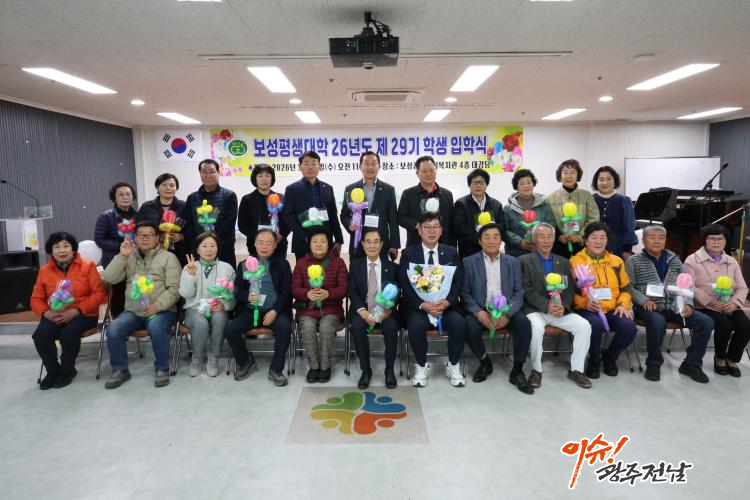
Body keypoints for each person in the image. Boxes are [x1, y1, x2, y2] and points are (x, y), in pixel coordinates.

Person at [626, 226, 713, 383]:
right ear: (643, 240)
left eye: (661, 238)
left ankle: (691, 364)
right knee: (657, 321)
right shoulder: (633, 261)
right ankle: (653, 364)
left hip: (674, 306)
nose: (657, 241)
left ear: (665, 240)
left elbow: (686, 285)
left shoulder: (675, 260)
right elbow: (628, 287)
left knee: (706, 322)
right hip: (647, 307)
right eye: (652, 237)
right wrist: (643, 300)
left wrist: (688, 304)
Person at [101, 221, 181, 389]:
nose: (145, 238)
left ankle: (162, 368)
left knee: (156, 326)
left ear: (157, 238)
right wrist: (122, 256)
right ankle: (120, 370)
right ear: (135, 238)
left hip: (162, 310)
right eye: (140, 235)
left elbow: (174, 289)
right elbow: (109, 278)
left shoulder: (168, 257)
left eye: (150, 234)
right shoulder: (128, 257)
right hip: (133, 311)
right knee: (113, 328)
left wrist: (157, 306)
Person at [461, 222, 534, 394]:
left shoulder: (513, 262)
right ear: (480, 241)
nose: (491, 241)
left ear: (501, 240)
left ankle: (517, 371)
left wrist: (507, 314)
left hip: (507, 309)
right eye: (486, 237)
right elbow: (465, 293)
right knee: (468, 326)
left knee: (524, 324)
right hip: (482, 308)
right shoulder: (468, 262)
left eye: (496, 237)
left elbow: (519, 292)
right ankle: (484, 362)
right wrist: (479, 312)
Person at [519, 223, 593, 389]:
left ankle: (576, 369)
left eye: (549, 237)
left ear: (554, 239)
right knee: (535, 327)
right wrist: (547, 306)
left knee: (584, 326)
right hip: (536, 310)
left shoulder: (564, 261)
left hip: (559, 311)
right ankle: (536, 370)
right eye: (541, 237)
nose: (546, 241)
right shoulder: (524, 261)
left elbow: (569, 290)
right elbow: (526, 290)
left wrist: (564, 306)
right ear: (534, 239)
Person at [30, 232, 106, 389]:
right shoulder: (45, 270)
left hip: (84, 314)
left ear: (73, 249)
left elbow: (98, 294)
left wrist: (76, 311)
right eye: (57, 247)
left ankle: (67, 371)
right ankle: (53, 371)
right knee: (40, 335)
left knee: (68, 334)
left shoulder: (87, 266)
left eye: (66, 246)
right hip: (55, 314)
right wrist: (46, 313)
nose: (62, 250)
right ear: (51, 250)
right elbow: (36, 298)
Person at [398, 212, 466, 388]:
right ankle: (422, 366)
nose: (431, 231)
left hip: (445, 306)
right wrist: (422, 304)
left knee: (459, 323)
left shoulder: (451, 252)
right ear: (419, 230)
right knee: (415, 326)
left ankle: (453, 364)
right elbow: (404, 283)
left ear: (441, 230)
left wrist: (446, 302)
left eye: (436, 227)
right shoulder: (408, 253)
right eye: (427, 227)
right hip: (419, 306)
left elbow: (459, 281)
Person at [224, 229, 293, 386]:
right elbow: (236, 290)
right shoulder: (244, 265)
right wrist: (247, 296)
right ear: (254, 244)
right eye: (260, 242)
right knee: (230, 330)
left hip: (275, 311)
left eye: (269, 243)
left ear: (275, 245)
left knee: (285, 328)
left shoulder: (282, 264)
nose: (264, 246)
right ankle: (245, 361)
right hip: (250, 311)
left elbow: (286, 291)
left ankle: (276, 369)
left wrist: (275, 310)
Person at [570, 222, 637, 379]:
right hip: (587, 309)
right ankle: (594, 360)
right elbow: (569, 293)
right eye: (594, 237)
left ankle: (609, 358)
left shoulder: (616, 261)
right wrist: (584, 303)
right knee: (594, 324)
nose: (598, 242)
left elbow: (626, 289)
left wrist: (623, 305)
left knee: (629, 327)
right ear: (585, 240)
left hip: (613, 308)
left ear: (607, 241)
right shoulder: (575, 261)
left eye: (602, 238)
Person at [684, 224, 750, 377]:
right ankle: (719, 358)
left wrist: (734, 303)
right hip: (704, 305)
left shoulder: (732, 261)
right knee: (725, 325)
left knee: (746, 326)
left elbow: (742, 287)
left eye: (720, 239)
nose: (716, 242)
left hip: (728, 304)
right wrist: (711, 302)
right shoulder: (692, 260)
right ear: (704, 240)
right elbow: (689, 286)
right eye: (712, 238)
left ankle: (732, 359)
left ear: (726, 241)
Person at [291, 227, 348, 383]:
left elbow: (344, 288)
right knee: (308, 327)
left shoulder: (338, 263)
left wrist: (328, 294)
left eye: (323, 241)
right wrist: (307, 294)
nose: (319, 244)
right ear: (309, 244)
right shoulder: (301, 263)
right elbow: (294, 288)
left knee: (326, 327)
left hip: (331, 309)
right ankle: (314, 366)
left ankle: (325, 366)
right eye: (315, 241)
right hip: (307, 310)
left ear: (329, 243)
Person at [348, 227, 400, 389]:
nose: (372, 246)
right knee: (357, 327)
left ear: (381, 244)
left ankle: (389, 370)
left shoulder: (391, 267)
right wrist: (362, 312)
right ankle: (366, 370)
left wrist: (388, 311)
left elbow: (397, 291)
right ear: (363, 244)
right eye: (368, 242)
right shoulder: (355, 266)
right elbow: (352, 292)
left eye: (376, 242)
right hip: (363, 310)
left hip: (385, 310)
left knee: (391, 327)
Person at [179, 232, 236, 377]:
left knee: (219, 318)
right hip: (194, 309)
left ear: (218, 248)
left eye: (212, 246)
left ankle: (214, 357)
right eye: (204, 246)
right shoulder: (190, 267)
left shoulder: (227, 268)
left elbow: (233, 294)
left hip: (218, 308)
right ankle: (197, 358)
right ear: (198, 250)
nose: (209, 249)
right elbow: (186, 294)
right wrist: (191, 275)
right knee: (200, 323)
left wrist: (224, 305)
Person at [282, 151, 344, 260]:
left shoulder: (328, 188)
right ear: (300, 167)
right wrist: (305, 236)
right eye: (306, 164)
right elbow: (287, 216)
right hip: (303, 242)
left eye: (314, 163)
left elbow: (333, 216)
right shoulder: (292, 189)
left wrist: (339, 240)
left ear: (319, 166)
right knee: (304, 270)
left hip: (325, 242)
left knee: (327, 270)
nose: (310, 167)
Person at [340, 151, 400, 259]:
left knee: (381, 269)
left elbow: (393, 220)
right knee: (358, 269)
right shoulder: (350, 189)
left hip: (380, 243)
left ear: (379, 167)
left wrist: (394, 245)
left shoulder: (388, 190)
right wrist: (350, 224)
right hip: (358, 242)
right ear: (360, 167)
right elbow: (344, 215)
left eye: (373, 163)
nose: (370, 167)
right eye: (366, 163)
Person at [183, 159, 238, 267]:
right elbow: (188, 223)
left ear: (218, 172)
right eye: (204, 172)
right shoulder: (192, 198)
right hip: (199, 248)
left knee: (226, 276)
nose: (208, 175)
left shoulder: (229, 196)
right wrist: (199, 242)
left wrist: (211, 241)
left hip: (223, 248)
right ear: (200, 174)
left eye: (212, 171)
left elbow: (229, 222)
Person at [94, 181, 138, 317]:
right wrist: (121, 246)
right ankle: (118, 321)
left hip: (136, 258)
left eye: (128, 194)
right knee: (119, 291)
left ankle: (136, 318)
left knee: (137, 288)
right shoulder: (106, 217)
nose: (125, 197)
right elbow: (99, 239)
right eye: (121, 194)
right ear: (114, 198)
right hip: (114, 260)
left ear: (133, 196)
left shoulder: (138, 215)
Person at [397, 155, 455, 248]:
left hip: (443, 245)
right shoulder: (408, 194)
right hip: (416, 244)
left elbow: (451, 222)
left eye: (431, 170)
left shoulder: (447, 194)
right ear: (417, 173)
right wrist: (417, 225)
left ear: (436, 170)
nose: (428, 174)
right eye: (424, 171)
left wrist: (452, 246)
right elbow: (401, 217)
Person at [547, 159, 600, 257]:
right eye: (565, 172)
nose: (568, 176)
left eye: (572, 172)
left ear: (578, 175)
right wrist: (558, 236)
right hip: (558, 245)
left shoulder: (587, 196)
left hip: (582, 245)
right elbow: (548, 220)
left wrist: (580, 236)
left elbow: (593, 218)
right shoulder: (551, 197)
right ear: (560, 175)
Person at [237, 164, 289, 258]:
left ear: (272, 178)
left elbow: (288, 221)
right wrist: (259, 237)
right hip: (256, 245)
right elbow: (242, 225)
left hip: (278, 245)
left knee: (279, 267)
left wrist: (281, 235)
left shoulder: (281, 198)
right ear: (255, 179)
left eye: (267, 176)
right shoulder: (247, 199)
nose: (264, 179)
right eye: (260, 176)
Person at [453, 168, 506, 259]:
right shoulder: (461, 204)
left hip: (492, 250)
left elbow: (502, 226)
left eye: (481, 182)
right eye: (475, 182)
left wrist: (490, 239)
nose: (478, 185)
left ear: (486, 185)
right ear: (469, 185)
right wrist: (480, 240)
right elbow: (459, 227)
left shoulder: (496, 205)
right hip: (469, 252)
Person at [137, 173, 187, 266]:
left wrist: (181, 236)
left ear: (176, 188)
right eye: (164, 185)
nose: (168, 188)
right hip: (152, 251)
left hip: (178, 253)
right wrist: (156, 236)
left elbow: (191, 228)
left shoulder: (184, 206)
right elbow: (139, 228)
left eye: (172, 185)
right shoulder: (146, 207)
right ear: (157, 188)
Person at [504, 169, 556, 258]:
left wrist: (539, 244)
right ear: (516, 186)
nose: (526, 186)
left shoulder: (544, 205)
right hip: (515, 254)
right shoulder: (508, 208)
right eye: (522, 183)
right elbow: (504, 230)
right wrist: (519, 242)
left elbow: (551, 226)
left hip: (540, 253)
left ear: (533, 184)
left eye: (529, 182)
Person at [592, 166, 637, 259]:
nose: (605, 183)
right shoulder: (590, 199)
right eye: (601, 179)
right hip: (592, 247)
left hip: (616, 247)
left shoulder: (624, 201)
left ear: (615, 181)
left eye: (608, 179)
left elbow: (629, 228)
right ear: (596, 182)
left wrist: (627, 250)